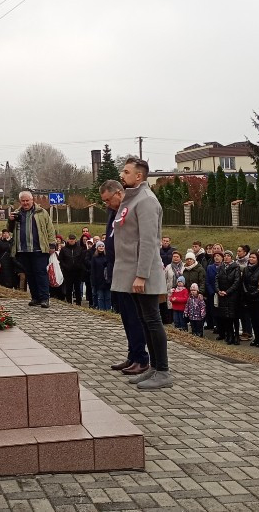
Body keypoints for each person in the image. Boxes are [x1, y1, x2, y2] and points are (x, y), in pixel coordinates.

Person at [110, 158, 172, 389]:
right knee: (145, 321)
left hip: (142, 273)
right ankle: (153, 367)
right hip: (132, 272)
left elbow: (148, 241)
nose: (122, 175)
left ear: (139, 176)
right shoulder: (131, 199)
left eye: (126, 172)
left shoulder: (146, 201)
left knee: (153, 320)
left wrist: (142, 275)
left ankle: (163, 371)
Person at [101, 180, 150, 376]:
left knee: (135, 317)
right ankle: (132, 355)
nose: (106, 204)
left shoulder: (130, 210)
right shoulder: (113, 212)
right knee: (126, 317)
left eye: (107, 200)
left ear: (119, 194)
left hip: (130, 270)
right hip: (116, 269)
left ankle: (142, 358)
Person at [7, 191, 55, 308]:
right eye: (23, 201)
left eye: (27, 200)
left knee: (40, 273)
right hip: (23, 250)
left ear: (32, 200)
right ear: (20, 202)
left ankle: (44, 298)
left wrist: (52, 244)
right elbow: (9, 229)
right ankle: (35, 297)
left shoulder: (41, 212)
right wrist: (10, 220)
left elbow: (50, 228)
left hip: (39, 249)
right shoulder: (17, 213)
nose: (25, 203)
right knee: (30, 274)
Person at [215, 250, 242, 345]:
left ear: (231, 257)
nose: (226, 257)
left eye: (228, 256)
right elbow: (217, 279)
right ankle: (229, 335)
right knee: (226, 316)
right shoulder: (221, 267)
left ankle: (236, 336)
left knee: (234, 316)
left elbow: (236, 282)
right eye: (225, 255)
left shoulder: (236, 267)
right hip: (222, 295)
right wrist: (218, 290)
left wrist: (227, 292)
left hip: (232, 296)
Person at [241, 248, 259, 347]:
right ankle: (256, 338)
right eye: (250, 257)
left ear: (257, 259)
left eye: (253, 257)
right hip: (248, 297)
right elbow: (243, 282)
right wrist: (246, 292)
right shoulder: (246, 269)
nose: (251, 259)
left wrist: (255, 293)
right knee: (253, 319)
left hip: (257, 298)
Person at [59, 234, 87, 306]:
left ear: (75, 240)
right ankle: (69, 302)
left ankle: (78, 302)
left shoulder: (80, 249)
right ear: (68, 240)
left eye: (73, 239)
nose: (71, 240)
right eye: (70, 239)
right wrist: (65, 266)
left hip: (78, 272)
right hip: (67, 272)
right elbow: (61, 260)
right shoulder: (64, 249)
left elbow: (82, 259)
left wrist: (79, 266)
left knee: (77, 288)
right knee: (69, 287)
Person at [90, 240, 112, 311]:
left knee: (108, 297)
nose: (101, 247)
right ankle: (101, 310)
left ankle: (108, 310)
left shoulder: (107, 257)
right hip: (98, 280)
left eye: (102, 246)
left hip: (107, 280)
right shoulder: (94, 258)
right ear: (97, 248)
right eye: (99, 246)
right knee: (100, 297)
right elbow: (93, 270)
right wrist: (93, 281)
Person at [205, 248, 222, 334]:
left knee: (221, 311)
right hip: (213, 293)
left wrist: (220, 291)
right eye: (215, 256)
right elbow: (207, 281)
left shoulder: (223, 267)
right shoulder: (210, 267)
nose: (216, 258)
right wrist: (212, 292)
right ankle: (216, 326)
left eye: (218, 256)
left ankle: (222, 328)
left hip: (222, 293)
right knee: (214, 311)